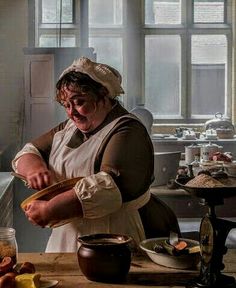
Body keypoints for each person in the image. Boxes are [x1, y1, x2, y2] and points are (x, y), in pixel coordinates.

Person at [12, 57, 155, 252]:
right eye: (66, 105)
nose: (72, 113)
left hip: (111, 238)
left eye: (79, 102)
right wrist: (34, 169)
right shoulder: (69, 128)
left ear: (104, 95)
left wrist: (51, 209)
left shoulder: (127, 130)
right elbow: (29, 151)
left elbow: (108, 188)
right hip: (64, 239)